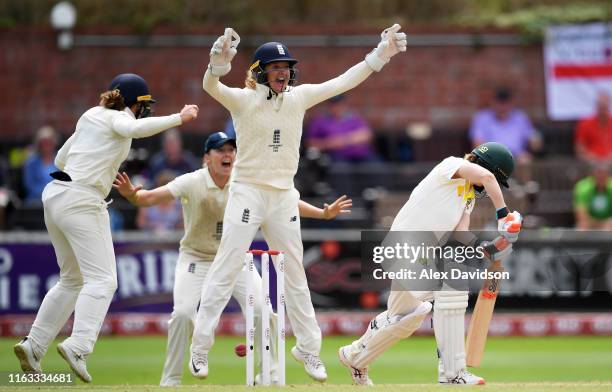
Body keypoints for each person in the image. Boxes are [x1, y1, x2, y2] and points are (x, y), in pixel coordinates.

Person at [189, 25, 407, 382]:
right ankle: (200, 347)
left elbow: (342, 83)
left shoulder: (299, 97)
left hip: (283, 195)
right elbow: (211, 88)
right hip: (247, 191)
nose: (282, 73)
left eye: (286, 67)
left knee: (295, 275)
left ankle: (308, 350)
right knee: (227, 267)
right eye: (275, 68)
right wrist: (216, 65)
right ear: (260, 72)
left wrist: (380, 55)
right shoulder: (244, 100)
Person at [112, 131, 352, 386]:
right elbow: (148, 198)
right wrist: (132, 195)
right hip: (197, 258)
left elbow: (281, 202)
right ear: (207, 157)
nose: (227, 155)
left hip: (235, 260)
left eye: (231, 151)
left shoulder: (246, 182)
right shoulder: (192, 181)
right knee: (182, 314)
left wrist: (322, 213)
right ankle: (171, 379)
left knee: (262, 309)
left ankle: (268, 374)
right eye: (220, 150)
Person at [13, 73, 199, 383]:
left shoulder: (90, 115)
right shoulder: (118, 118)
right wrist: (179, 118)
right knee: (103, 280)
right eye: (143, 106)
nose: (144, 112)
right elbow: (133, 129)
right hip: (82, 199)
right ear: (133, 103)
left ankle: (33, 345)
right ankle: (79, 346)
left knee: (72, 280)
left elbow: (60, 157)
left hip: (55, 196)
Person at [338, 142, 522, 385]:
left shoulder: (468, 198)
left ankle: (354, 356)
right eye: (496, 182)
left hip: (421, 253)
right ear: (486, 166)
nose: (490, 188)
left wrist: (490, 249)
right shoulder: (452, 165)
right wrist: (504, 216)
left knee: (408, 317)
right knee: (452, 287)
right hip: (404, 245)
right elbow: (487, 177)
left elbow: (460, 237)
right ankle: (452, 373)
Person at [469, 87, 541, 163]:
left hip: (516, 157)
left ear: (511, 103)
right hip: (491, 157)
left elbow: (532, 137)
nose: (502, 107)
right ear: (493, 102)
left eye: (505, 103)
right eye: (500, 103)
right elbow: (477, 143)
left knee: (525, 160)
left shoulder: (520, 118)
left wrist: (535, 141)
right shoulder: (482, 118)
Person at [306, 94, 376, 162]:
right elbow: (310, 143)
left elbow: (366, 136)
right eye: (333, 104)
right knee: (341, 168)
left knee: (376, 166)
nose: (337, 107)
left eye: (340, 103)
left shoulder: (354, 118)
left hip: (361, 156)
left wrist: (342, 141)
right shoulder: (320, 121)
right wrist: (329, 144)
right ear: (328, 105)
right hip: (336, 157)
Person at [22, 126, 59, 202]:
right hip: (36, 200)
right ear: (39, 144)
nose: (46, 145)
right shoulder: (31, 163)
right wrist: (46, 193)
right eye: (44, 142)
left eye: (49, 142)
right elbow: (29, 185)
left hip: (57, 198)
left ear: (54, 143)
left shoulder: (60, 160)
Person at [575, 91, 612, 162]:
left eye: (604, 107)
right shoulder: (585, 124)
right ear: (596, 107)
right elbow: (579, 147)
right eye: (600, 107)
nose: (602, 111)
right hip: (591, 162)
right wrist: (590, 157)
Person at [574, 163, 612, 230]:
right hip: (589, 223)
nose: (601, 178)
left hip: (608, 222)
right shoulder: (583, 188)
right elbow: (581, 215)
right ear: (592, 176)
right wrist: (598, 224)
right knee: (582, 227)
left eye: (603, 175)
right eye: (598, 175)